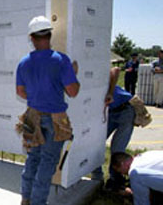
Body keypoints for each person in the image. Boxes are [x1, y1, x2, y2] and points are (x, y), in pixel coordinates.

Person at [15, 16, 80, 205]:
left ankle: (26, 199)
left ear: (32, 38)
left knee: (33, 159)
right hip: (55, 120)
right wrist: (72, 75)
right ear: (49, 36)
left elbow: (20, 92)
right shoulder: (61, 60)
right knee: (48, 161)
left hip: (32, 117)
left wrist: (37, 98)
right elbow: (73, 91)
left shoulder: (23, 63)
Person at [91, 67, 135, 192]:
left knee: (117, 148)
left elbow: (116, 70)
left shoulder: (96, 73)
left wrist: (110, 92)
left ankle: (116, 180)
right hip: (111, 112)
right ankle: (98, 176)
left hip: (125, 110)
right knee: (96, 143)